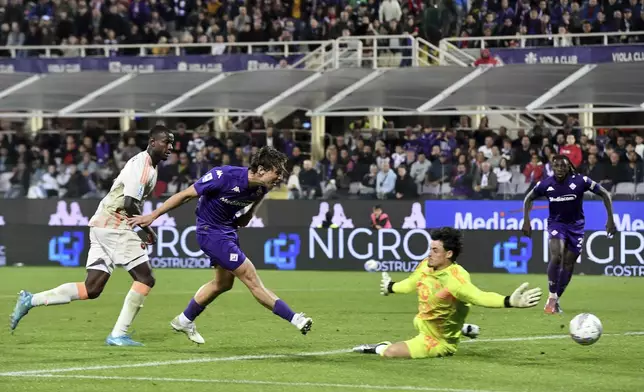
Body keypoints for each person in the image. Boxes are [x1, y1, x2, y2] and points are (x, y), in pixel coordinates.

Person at [127, 146, 313, 344]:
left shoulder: (262, 185)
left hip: (228, 231)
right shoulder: (223, 176)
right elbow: (185, 195)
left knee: (223, 284)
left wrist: (249, 214)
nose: (280, 178)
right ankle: (296, 318)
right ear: (261, 170)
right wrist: (152, 216)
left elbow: (260, 193)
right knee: (251, 278)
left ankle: (184, 320)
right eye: (277, 172)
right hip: (211, 233)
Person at [10, 125, 174, 346]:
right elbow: (128, 203)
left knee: (92, 288)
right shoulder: (142, 167)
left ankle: (31, 300)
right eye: (166, 142)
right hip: (114, 225)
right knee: (146, 278)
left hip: (101, 223)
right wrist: (149, 228)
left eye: (172, 143)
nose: (170, 147)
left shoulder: (148, 166)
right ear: (152, 142)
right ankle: (118, 334)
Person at [353, 227, 542, 359]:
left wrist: (509, 301)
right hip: (425, 322)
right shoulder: (425, 266)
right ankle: (462, 328)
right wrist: (391, 287)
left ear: (449, 254)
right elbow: (411, 283)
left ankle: (379, 346)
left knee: (391, 353)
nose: (430, 254)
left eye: (435, 250)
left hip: (437, 340)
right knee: (423, 317)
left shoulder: (455, 281)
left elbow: (478, 296)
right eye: (430, 249)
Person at [522, 155, 616, 315]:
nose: (559, 169)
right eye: (556, 166)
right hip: (556, 224)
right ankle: (551, 297)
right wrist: (526, 220)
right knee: (557, 255)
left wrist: (610, 219)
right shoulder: (546, 184)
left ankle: (556, 300)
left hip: (576, 227)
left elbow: (605, 194)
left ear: (568, 167)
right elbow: (528, 198)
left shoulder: (581, 181)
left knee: (569, 263)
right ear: (552, 167)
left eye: (562, 166)